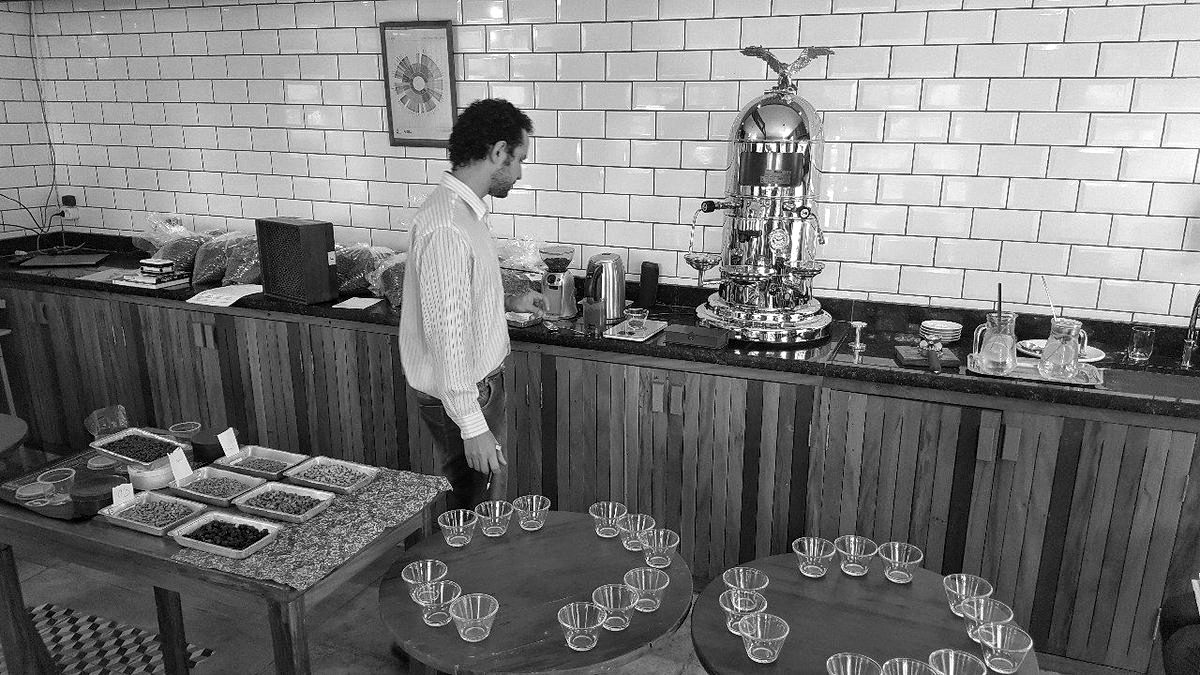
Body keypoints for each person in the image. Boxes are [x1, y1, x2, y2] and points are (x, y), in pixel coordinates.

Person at [399, 98, 545, 511]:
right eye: (518, 160)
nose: (518, 173)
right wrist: (471, 425)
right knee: (475, 514)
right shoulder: (448, 225)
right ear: (497, 152)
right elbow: (447, 335)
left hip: (473, 390)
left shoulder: (464, 212)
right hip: (465, 396)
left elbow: (459, 302)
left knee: (482, 506)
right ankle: (461, 577)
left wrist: (507, 299)